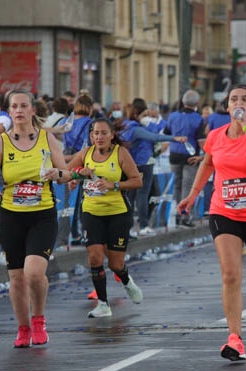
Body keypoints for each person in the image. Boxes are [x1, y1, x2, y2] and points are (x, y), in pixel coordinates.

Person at [176, 84, 246, 362]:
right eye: (234, 99)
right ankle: (235, 338)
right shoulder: (216, 135)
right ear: (227, 106)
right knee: (230, 274)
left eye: (245, 99)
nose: (239, 102)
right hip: (224, 211)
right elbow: (208, 164)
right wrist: (193, 195)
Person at [0, 90, 69, 348]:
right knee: (16, 277)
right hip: (10, 216)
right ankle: (23, 328)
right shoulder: (2, 143)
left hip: (42, 214)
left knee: (33, 273)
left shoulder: (47, 139)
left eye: (24, 106)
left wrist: (57, 173)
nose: (19, 110)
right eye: (14, 106)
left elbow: (66, 174)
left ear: (32, 111)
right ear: (9, 112)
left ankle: (38, 319)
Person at [56, 118, 144, 317]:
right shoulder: (86, 153)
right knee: (94, 257)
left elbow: (137, 181)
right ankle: (103, 305)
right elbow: (66, 174)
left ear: (112, 135)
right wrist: (78, 174)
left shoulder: (120, 153)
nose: (99, 137)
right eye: (96, 133)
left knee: (115, 264)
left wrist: (113, 185)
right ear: (91, 136)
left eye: (104, 133)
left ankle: (127, 280)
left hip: (117, 214)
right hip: (91, 212)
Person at [119, 98, 186, 237]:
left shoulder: (125, 125)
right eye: (145, 115)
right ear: (137, 114)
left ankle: (127, 227)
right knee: (142, 195)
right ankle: (143, 225)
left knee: (130, 197)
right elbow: (154, 137)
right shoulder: (136, 129)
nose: (147, 118)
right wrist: (175, 138)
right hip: (144, 163)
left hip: (129, 164)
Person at [167, 89, 207, 227]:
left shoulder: (172, 116)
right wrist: (207, 155)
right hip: (190, 156)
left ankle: (177, 215)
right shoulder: (199, 119)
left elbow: (167, 134)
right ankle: (185, 216)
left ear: (183, 101)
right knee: (188, 187)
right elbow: (201, 141)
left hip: (174, 154)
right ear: (196, 103)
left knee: (177, 186)